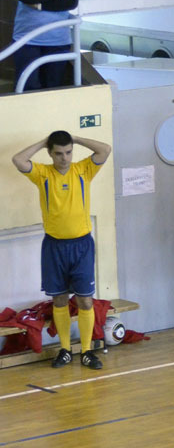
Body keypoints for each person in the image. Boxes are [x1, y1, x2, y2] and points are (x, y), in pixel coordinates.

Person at [11, 130, 111, 369]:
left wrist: (76, 138)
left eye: (68, 152)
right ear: (50, 153)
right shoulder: (43, 174)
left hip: (82, 245)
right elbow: (18, 160)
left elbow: (105, 149)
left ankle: (86, 351)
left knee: (85, 300)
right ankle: (65, 349)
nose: (64, 158)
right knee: (59, 299)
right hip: (54, 246)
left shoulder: (83, 170)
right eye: (58, 153)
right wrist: (43, 142)